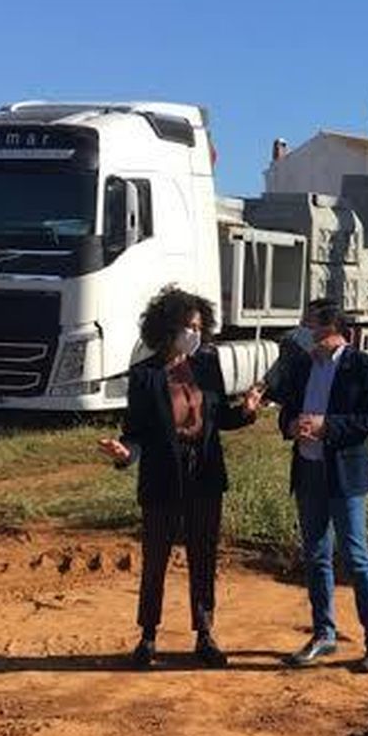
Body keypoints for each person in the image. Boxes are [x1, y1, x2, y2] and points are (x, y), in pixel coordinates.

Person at [97, 286, 263, 669]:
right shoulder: (145, 376)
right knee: (155, 559)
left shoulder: (206, 366)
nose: (196, 334)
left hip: (204, 475)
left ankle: (204, 634)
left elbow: (220, 419)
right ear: (167, 329)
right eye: (189, 327)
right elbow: (134, 432)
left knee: (203, 557)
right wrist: (125, 454)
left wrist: (248, 410)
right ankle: (148, 636)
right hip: (161, 477)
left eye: (200, 327)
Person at [276, 298, 368, 673]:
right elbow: (287, 412)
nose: (310, 337)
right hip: (308, 471)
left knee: (356, 556)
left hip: (345, 476)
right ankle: (324, 633)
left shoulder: (364, 367)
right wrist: (291, 426)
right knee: (316, 555)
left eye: (317, 331)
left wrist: (328, 427)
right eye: (308, 329)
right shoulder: (304, 367)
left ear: (340, 333)